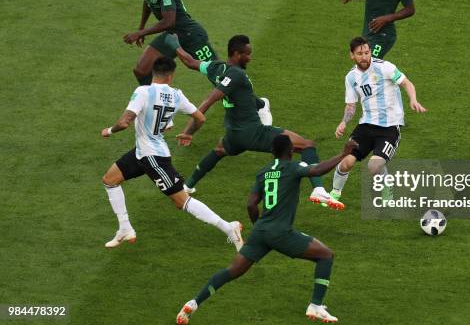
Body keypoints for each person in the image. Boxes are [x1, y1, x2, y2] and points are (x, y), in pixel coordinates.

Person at [175, 135, 358, 324]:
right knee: (326, 255)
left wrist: (259, 228)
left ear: (272, 152)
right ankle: (316, 305)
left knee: (232, 271)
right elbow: (317, 169)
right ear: (291, 151)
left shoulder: (263, 172)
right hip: (280, 232)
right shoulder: (293, 167)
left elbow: (251, 205)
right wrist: (343, 153)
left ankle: (194, 302)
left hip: (260, 231)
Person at [165, 34, 342, 210]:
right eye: (247, 54)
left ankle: (187, 186)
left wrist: (173, 42)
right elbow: (210, 100)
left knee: (219, 150)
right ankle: (318, 189)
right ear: (236, 53)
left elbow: (189, 61)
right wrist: (189, 130)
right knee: (307, 145)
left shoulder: (215, 68)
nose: (250, 58)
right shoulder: (236, 74)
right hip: (254, 132)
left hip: (234, 134)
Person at [100, 57, 243, 250]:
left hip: (153, 158)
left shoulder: (143, 91)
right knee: (110, 180)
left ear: (153, 71)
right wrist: (188, 133)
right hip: (142, 153)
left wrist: (109, 130)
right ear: (171, 76)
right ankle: (125, 228)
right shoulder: (176, 95)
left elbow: (125, 121)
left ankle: (229, 228)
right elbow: (200, 118)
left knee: (181, 201)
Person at [331, 36, 427, 202]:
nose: (364, 56)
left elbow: (407, 84)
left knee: (374, 166)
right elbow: (351, 105)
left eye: (367, 52)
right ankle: (334, 193)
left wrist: (413, 99)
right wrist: (343, 122)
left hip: (389, 128)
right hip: (365, 126)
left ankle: (387, 188)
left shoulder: (385, 67)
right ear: (352, 55)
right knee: (346, 162)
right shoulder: (351, 77)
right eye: (360, 53)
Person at [123, 0, 217, 85]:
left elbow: (169, 22)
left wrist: (140, 33)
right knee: (141, 71)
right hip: (172, 36)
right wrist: (141, 27)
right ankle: (155, 101)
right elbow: (148, 2)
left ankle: (246, 99)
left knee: (217, 72)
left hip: (190, 35)